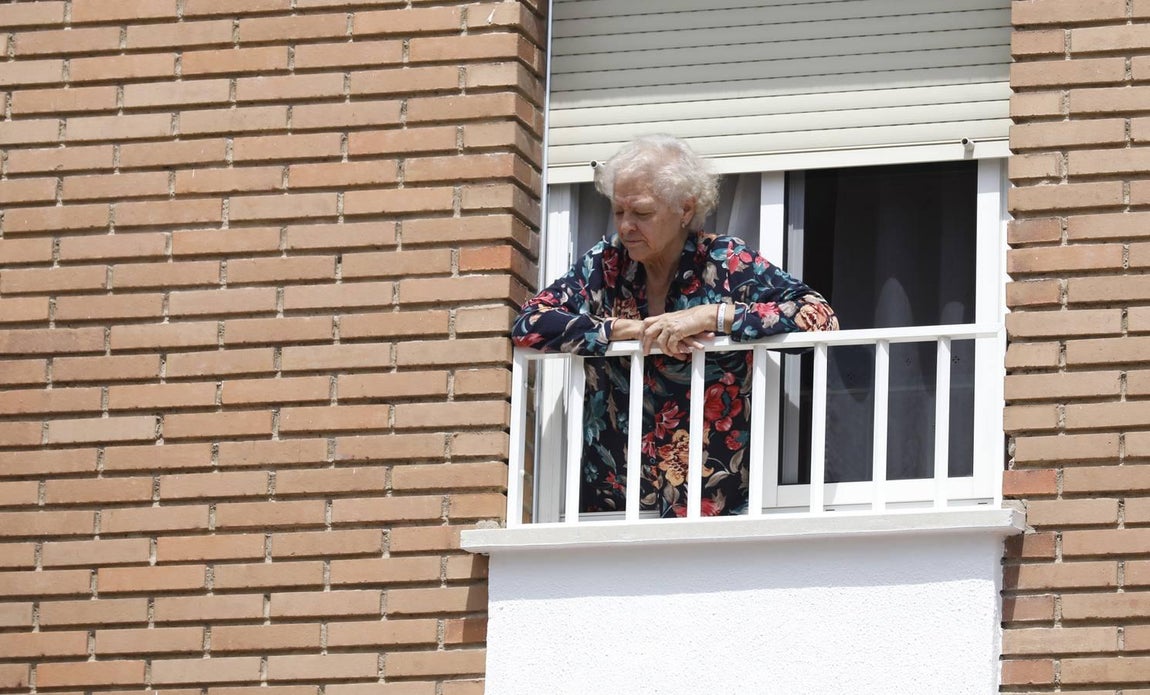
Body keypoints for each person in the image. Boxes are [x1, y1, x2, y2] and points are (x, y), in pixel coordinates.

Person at [512, 134, 838, 517]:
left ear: (685, 209)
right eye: (619, 212)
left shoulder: (725, 262)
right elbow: (529, 322)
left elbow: (819, 318)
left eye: (642, 213)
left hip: (717, 509)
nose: (627, 227)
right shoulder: (606, 265)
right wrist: (625, 330)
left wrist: (713, 316)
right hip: (613, 509)